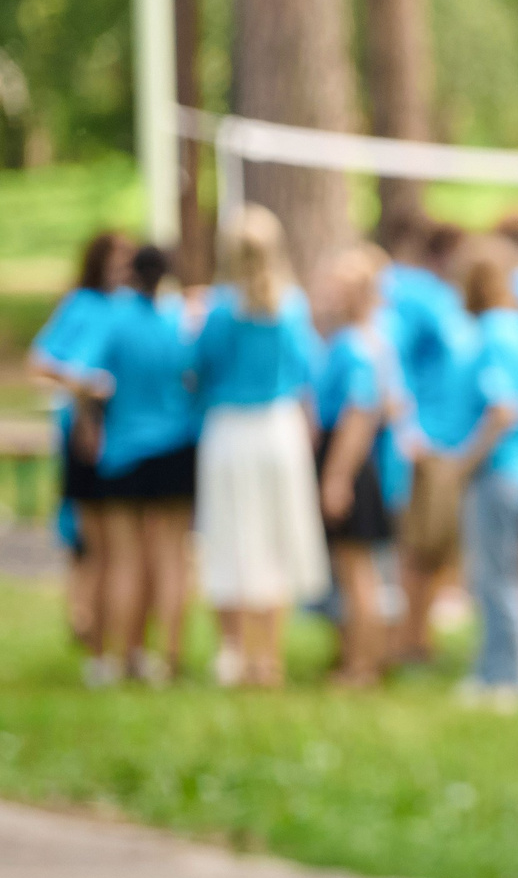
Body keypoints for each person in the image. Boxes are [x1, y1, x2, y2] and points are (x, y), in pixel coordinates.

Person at [192, 205, 328, 689]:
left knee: (229, 536)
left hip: (230, 430)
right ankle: (267, 656)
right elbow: (309, 372)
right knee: (275, 537)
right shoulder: (292, 305)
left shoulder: (218, 308)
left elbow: (198, 367)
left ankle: (232, 652)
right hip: (278, 429)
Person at [81, 243, 197, 686]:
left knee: (123, 560)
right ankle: (167, 657)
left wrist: (91, 422)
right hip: (175, 445)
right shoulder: (178, 319)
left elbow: (90, 377)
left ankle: (116, 657)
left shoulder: (115, 318)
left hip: (125, 449)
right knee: (171, 558)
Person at [29, 231, 129, 656]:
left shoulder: (129, 308)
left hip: (123, 433)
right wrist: (82, 386)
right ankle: (83, 614)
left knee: (113, 536)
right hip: (83, 428)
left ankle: (104, 621)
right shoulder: (82, 305)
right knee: (85, 534)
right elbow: (42, 361)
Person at [384, 221, 479, 665]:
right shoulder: (414, 294)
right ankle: (405, 641)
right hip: (426, 441)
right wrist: (406, 425)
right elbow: (387, 354)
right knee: (417, 547)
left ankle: (421, 640)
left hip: (456, 442)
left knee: (439, 547)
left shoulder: (453, 299)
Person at [456, 239, 518, 706]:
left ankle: (505, 675)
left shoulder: (492, 333)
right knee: (506, 572)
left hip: (499, 469)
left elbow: (505, 407)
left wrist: (465, 458)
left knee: (496, 575)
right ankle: (502, 666)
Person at [312, 248, 397, 686]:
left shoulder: (356, 346)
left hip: (350, 461)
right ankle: (354, 655)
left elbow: (360, 414)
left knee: (357, 569)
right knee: (353, 569)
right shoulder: (363, 340)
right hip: (352, 460)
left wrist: (337, 477)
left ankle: (363, 665)